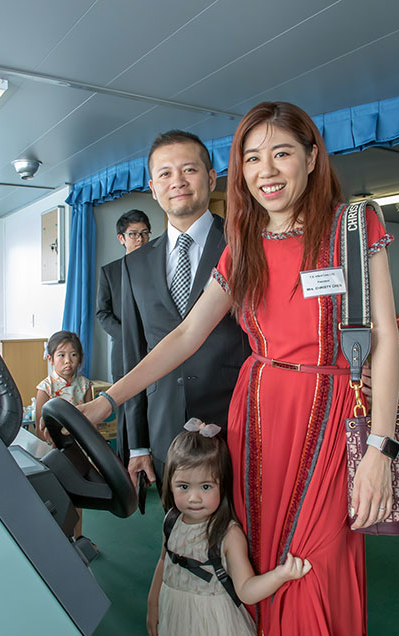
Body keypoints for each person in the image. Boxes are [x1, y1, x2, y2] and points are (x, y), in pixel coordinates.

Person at [80, 101, 399, 636]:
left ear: (311, 157)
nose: (266, 170)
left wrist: (378, 450)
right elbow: (183, 337)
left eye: (281, 153)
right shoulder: (244, 245)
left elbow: (383, 339)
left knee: (311, 580)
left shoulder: (354, 227)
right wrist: (110, 399)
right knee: (269, 582)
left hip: (331, 420)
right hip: (255, 424)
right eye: (251, 158)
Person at [144, 420, 311, 636]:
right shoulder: (172, 521)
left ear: (223, 484)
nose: (194, 498)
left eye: (205, 487)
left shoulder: (227, 532)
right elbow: (163, 561)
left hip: (216, 630)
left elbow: (246, 589)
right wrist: (152, 602)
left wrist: (281, 575)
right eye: (184, 487)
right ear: (169, 483)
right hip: (177, 621)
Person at [121, 130, 249, 488]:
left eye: (188, 170)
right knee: (175, 532)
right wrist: (138, 443)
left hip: (235, 424)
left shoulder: (244, 246)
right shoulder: (134, 264)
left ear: (210, 178)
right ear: (153, 186)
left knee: (238, 536)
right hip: (165, 431)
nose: (176, 181)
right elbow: (134, 354)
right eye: (165, 173)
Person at [96, 209, 151, 462]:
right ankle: (123, 467)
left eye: (144, 233)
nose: (139, 239)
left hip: (156, 350)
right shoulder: (110, 272)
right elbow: (102, 313)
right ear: (121, 239)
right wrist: (129, 337)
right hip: (123, 352)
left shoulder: (158, 266)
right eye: (133, 234)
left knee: (154, 408)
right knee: (126, 409)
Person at [36, 330, 92, 537]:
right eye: (61, 355)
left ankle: (79, 537)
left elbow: (90, 421)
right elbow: (39, 425)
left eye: (74, 355)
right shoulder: (46, 387)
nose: (68, 361)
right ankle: (58, 540)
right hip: (55, 452)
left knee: (78, 496)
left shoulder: (85, 384)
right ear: (50, 359)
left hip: (79, 450)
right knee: (59, 495)